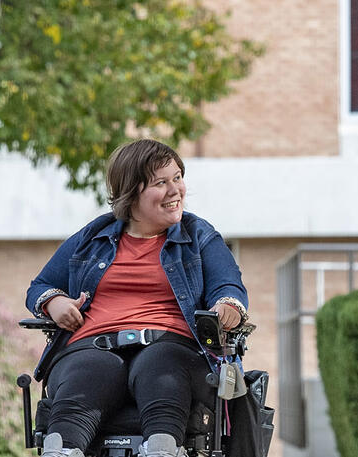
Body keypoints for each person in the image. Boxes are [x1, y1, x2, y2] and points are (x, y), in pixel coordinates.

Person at [25, 139, 250, 457]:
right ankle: (62, 450)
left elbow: (229, 288)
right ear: (132, 193)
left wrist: (226, 308)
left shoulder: (199, 236)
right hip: (93, 345)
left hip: (171, 346)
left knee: (160, 365)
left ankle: (161, 449)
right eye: (161, 182)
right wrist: (54, 302)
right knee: (90, 370)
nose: (176, 190)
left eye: (177, 177)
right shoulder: (93, 237)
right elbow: (41, 286)